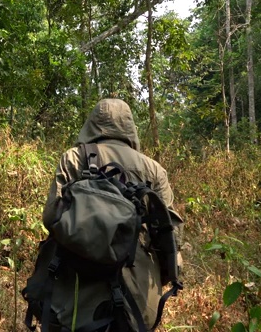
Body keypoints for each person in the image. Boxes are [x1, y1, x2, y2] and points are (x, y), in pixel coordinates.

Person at [41, 98, 182, 331]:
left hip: (77, 287)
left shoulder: (74, 158)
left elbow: (51, 218)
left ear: (92, 123)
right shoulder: (154, 169)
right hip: (138, 290)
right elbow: (170, 235)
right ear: (129, 127)